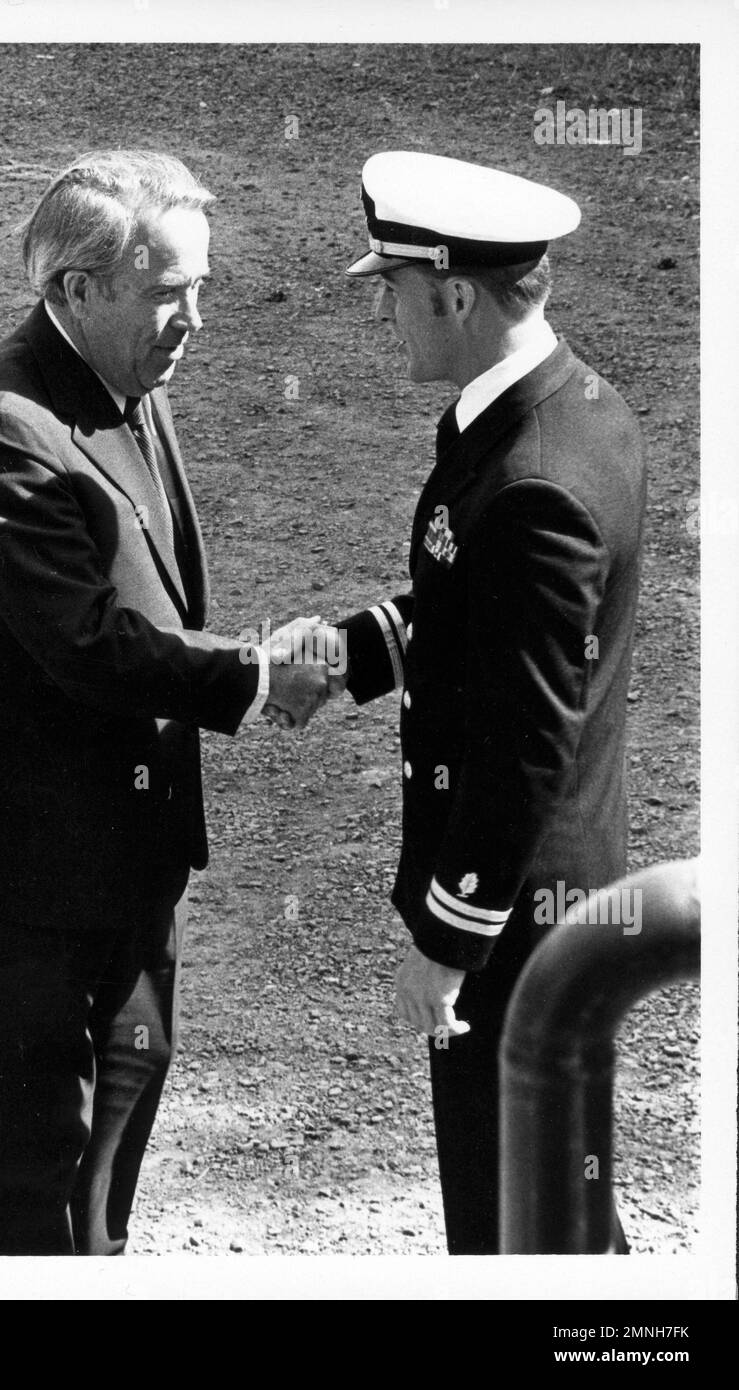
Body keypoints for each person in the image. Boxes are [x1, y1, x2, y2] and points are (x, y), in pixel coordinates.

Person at [0, 149, 334, 1255]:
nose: (192, 317)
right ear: (73, 290)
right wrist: (251, 671)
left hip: (130, 872)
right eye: (166, 292)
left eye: (200, 287)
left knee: (101, 1205)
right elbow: (86, 645)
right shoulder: (10, 428)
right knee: (41, 1210)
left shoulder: (128, 381)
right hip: (31, 898)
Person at [326, 151, 646, 1253]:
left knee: (517, 1227)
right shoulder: (569, 409)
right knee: (556, 1200)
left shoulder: (533, 477)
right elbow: (480, 618)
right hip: (554, 902)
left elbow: (525, 737)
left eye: (395, 291)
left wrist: (450, 937)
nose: (388, 315)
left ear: (457, 294)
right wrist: (351, 653)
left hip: (518, 919)